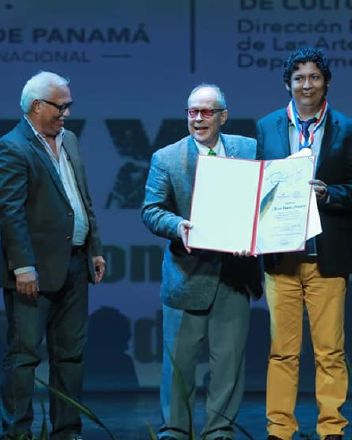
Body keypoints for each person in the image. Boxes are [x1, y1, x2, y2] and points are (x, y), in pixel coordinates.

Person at [256, 47, 352, 440]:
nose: (307, 85)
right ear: (287, 84)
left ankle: (331, 428)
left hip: (328, 257)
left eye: (314, 77)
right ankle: (280, 428)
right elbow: (257, 187)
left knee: (330, 352)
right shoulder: (267, 126)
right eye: (299, 78)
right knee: (282, 352)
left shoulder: (351, 129)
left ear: (326, 82)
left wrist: (330, 195)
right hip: (281, 259)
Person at [142, 84, 262, 440]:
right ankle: (175, 431)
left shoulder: (249, 149)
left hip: (235, 274)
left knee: (228, 363)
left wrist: (257, 235)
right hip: (186, 275)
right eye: (192, 112)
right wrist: (177, 226)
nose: (198, 119)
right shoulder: (166, 158)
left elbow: (264, 199)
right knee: (178, 365)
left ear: (223, 116)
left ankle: (219, 432)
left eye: (206, 112)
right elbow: (151, 211)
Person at [0, 71, 106, 440]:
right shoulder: (12, 147)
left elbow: (81, 200)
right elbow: (10, 213)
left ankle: (67, 432)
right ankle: (18, 433)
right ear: (37, 106)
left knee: (71, 355)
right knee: (24, 356)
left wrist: (95, 248)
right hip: (34, 272)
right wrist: (23, 266)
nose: (67, 113)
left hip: (75, 265)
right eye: (62, 106)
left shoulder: (68, 140)